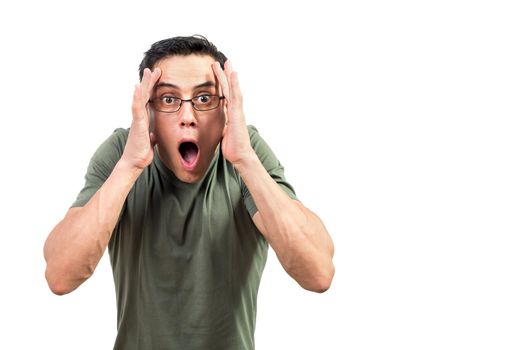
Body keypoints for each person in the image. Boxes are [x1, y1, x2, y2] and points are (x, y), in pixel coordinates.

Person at [43, 35, 335, 350]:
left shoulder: (246, 154)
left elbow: (318, 273)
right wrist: (129, 167)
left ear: (226, 107)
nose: (187, 117)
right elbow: (61, 276)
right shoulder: (120, 154)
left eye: (205, 99)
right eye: (168, 99)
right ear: (147, 109)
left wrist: (246, 160)